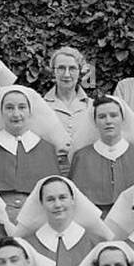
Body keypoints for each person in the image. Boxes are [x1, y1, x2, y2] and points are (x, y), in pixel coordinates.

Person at [0, 85, 67, 222]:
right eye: (9, 108)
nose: (16, 114)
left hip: (37, 218)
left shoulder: (47, 148)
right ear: (1, 112)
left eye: (22, 107)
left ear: (30, 111)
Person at [66, 95, 134, 214]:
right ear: (94, 122)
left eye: (114, 115)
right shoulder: (81, 157)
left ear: (123, 118)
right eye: (102, 117)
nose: (108, 121)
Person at [10, 174, 113, 266]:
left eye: (62, 197)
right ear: (41, 203)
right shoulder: (25, 246)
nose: (58, 205)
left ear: (73, 200)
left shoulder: (97, 244)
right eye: (50, 199)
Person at [41, 46, 94, 175]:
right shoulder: (41, 106)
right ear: (53, 72)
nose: (66, 74)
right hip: (50, 171)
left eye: (72, 68)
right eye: (61, 68)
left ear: (80, 71)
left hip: (86, 172)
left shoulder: (92, 106)